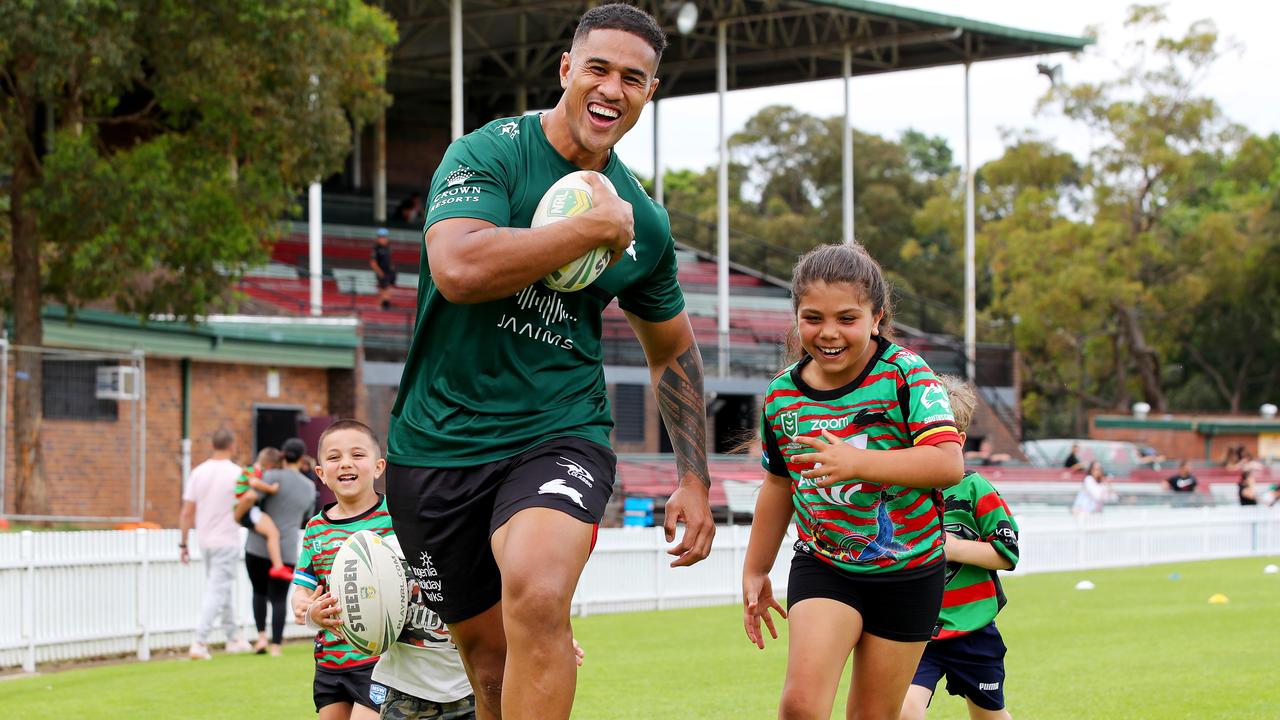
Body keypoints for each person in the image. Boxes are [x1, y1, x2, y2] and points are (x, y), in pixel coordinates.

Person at [385, 6, 714, 718]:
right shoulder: (488, 154)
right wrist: (584, 230)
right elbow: (458, 269)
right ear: (566, 69)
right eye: (598, 68)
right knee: (490, 665)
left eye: (633, 78)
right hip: (436, 443)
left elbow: (673, 351)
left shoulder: (644, 223)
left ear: (649, 93)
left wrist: (694, 476)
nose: (612, 88)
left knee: (536, 592)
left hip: (558, 429)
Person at [741, 243, 964, 720]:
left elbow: (947, 464)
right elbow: (779, 485)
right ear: (796, 317)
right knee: (800, 707)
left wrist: (860, 464)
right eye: (813, 317)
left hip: (910, 574)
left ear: (876, 317)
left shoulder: (906, 374)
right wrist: (755, 570)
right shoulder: (781, 395)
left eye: (847, 318)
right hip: (826, 565)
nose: (829, 333)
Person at [900, 377, 1020, 720]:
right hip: (915, 630)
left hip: (973, 631)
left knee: (988, 715)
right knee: (904, 710)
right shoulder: (899, 489)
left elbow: (1007, 553)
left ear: (959, 441)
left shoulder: (975, 489)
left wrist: (951, 548)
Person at [179, 428, 254, 660]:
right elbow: (249, 500)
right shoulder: (238, 474)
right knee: (217, 589)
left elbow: (187, 511)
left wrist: (183, 543)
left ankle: (232, 638)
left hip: (205, 540)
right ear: (232, 446)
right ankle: (199, 642)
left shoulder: (198, 473)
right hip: (227, 539)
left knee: (223, 587)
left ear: (213, 445)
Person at [246, 436, 315, 656]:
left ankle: (261, 638)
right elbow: (307, 517)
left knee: (258, 592)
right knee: (278, 598)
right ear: (302, 458)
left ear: (282, 455)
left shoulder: (270, 476)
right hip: (285, 548)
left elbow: (251, 499)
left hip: (257, 545)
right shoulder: (308, 486)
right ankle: (276, 645)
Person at [232, 446, 294, 581]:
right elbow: (254, 483)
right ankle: (278, 567)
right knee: (273, 533)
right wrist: (271, 489)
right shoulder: (254, 471)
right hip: (248, 511)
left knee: (272, 532)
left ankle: (278, 566)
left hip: (249, 510)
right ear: (270, 465)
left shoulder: (250, 469)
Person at [370, 228, 398, 310]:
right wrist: (379, 272)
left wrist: (392, 268)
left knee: (388, 288)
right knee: (384, 289)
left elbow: (389, 259)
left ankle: (385, 303)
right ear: (378, 238)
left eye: (385, 237)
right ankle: (383, 304)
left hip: (389, 271)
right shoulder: (376, 249)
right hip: (382, 272)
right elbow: (373, 263)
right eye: (382, 237)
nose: (384, 239)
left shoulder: (388, 247)